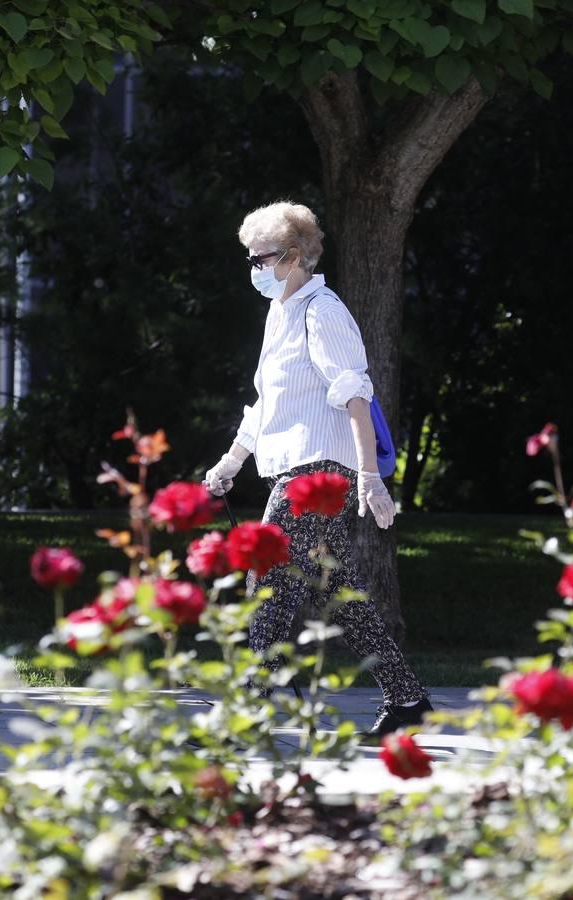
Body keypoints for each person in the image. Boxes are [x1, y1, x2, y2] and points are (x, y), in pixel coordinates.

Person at [202, 201, 432, 739]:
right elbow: (265, 405)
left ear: (296, 256)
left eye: (263, 258)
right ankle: (407, 698)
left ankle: (243, 716)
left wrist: (369, 478)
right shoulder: (278, 313)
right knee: (339, 591)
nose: (255, 268)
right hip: (291, 467)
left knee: (268, 584)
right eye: (250, 259)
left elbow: (354, 393)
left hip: (318, 471)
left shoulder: (322, 311)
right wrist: (232, 461)